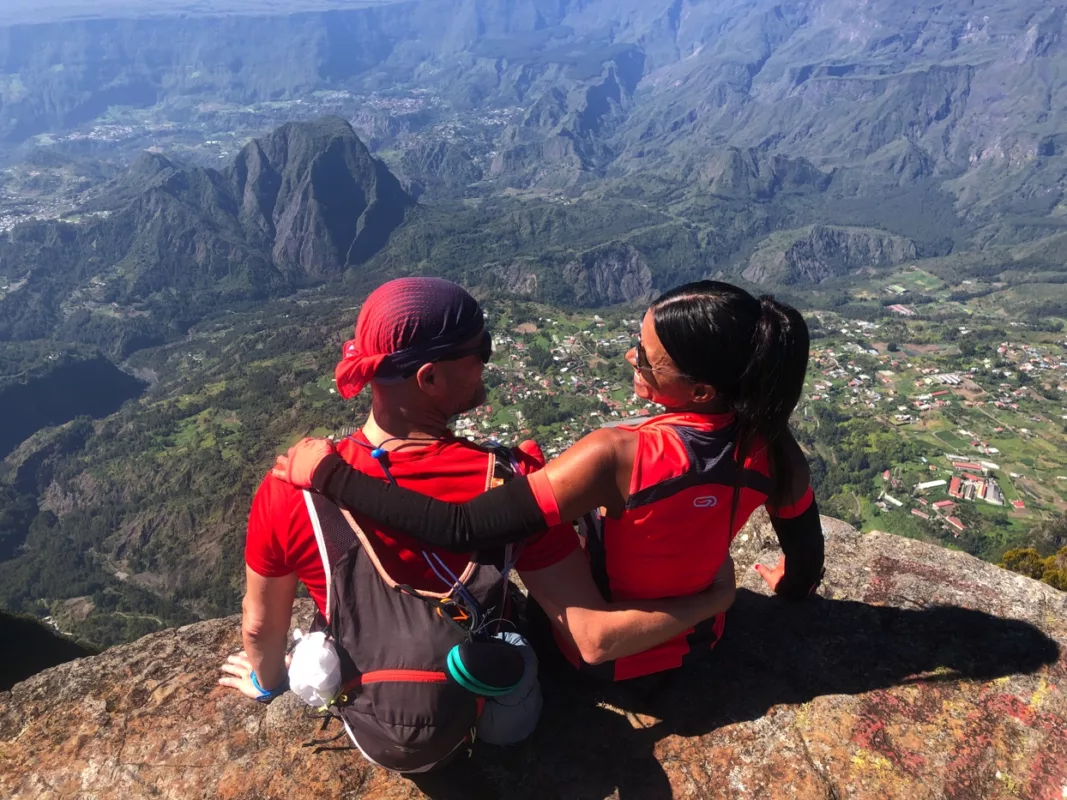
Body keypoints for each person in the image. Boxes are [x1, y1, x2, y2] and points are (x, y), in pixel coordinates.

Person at [219, 277, 737, 773]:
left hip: (374, 722)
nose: (487, 365)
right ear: (430, 378)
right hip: (492, 712)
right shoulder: (511, 481)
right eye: (481, 352)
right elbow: (590, 637)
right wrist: (712, 600)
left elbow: (261, 625)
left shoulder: (292, 488)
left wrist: (267, 683)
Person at [274, 280, 825, 682]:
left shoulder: (617, 456)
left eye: (649, 361)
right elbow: (806, 557)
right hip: (704, 646)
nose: (632, 356)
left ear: (701, 391)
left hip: (602, 669)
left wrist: (333, 477)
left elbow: (461, 527)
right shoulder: (776, 450)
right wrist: (775, 587)